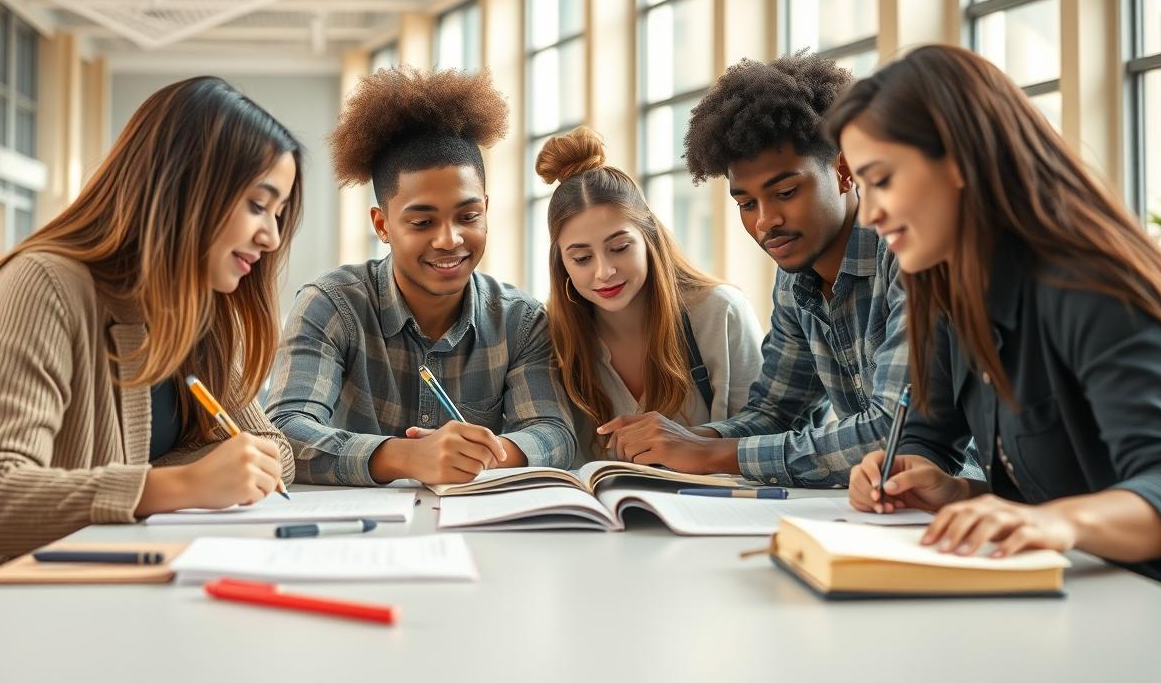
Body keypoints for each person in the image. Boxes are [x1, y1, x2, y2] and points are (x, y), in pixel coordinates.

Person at [832, 44, 1161, 608]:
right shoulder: (948, 285)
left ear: (960, 161)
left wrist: (1060, 523)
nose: (869, 213)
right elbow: (930, 434)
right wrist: (939, 484)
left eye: (883, 180)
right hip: (1073, 602)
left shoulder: (1093, 288)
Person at [0, 76, 302, 614]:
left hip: (96, 599)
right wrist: (179, 484)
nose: (271, 236)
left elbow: (273, 455)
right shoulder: (42, 286)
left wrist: (209, 475)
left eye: (278, 213)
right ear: (181, 185)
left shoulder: (200, 313)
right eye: (257, 205)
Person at [600, 52, 908, 487]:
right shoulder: (795, 279)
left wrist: (711, 453)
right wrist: (679, 441)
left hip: (968, 510)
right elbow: (775, 412)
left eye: (785, 192)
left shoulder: (904, 253)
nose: (765, 223)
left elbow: (894, 434)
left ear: (843, 170)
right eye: (746, 204)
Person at [267, 68, 575, 486]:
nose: (449, 240)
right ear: (382, 225)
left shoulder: (521, 321)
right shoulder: (331, 305)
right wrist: (407, 458)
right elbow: (284, 431)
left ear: (485, 208)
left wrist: (476, 457)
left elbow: (554, 434)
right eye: (422, 222)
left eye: (468, 216)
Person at [534, 127, 763, 463]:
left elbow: (768, 430)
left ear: (649, 239)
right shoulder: (550, 336)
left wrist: (695, 444)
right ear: (562, 264)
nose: (604, 271)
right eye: (581, 258)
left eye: (619, 247)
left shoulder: (721, 313)